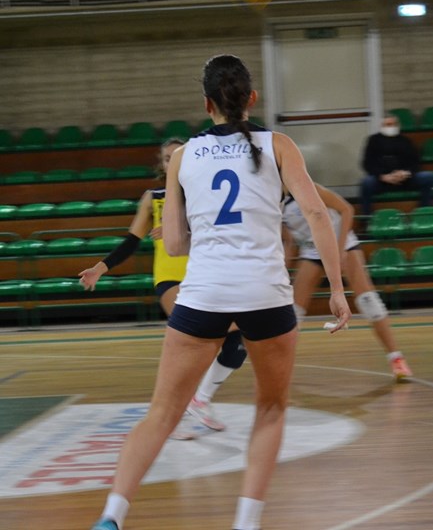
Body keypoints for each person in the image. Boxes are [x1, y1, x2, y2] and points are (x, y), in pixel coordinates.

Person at [88, 54, 351, 530]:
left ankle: (112, 515)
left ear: (206, 103)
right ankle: (245, 523)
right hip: (266, 294)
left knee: (162, 413)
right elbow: (317, 214)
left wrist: (210, 235)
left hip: (204, 294)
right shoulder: (279, 145)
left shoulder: (183, 156)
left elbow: (174, 244)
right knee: (270, 409)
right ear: (252, 98)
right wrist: (335, 286)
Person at [79, 137, 246, 434]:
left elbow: (224, 231)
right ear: (163, 164)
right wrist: (100, 268)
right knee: (192, 344)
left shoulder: (206, 192)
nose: (174, 161)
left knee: (237, 343)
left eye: (179, 155)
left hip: (206, 275)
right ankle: (173, 416)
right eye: (168, 158)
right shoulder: (153, 197)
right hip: (170, 278)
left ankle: (201, 400)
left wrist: (183, 229)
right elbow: (131, 242)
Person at [282, 184, 412, 381]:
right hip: (312, 251)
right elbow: (289, 241)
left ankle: (396, 359)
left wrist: (340, 249)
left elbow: (347, 210)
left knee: (369, 301)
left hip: (341, 243)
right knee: (293, 311)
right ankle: (281, 365)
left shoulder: (307, 187)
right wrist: (281, 268)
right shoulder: (274, 199)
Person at [360, 114, 433, 216]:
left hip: (405, 180)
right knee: (366, 183)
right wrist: (382, 176)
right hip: (382, 181)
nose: (390, 127)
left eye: (393, 124)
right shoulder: (373, 140)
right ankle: (367, 218)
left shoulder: (405, 141)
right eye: (387, 124)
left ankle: (423, 214)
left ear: (398, 125)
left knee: (428, 177)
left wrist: (406, 173)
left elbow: (415, 163)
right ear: (382, 126)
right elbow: (367, 164)